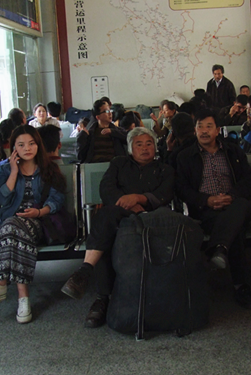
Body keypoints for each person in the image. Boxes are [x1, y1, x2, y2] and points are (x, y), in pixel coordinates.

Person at [60, 128, 175, 327]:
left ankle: (89, 276)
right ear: (130, 149)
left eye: (149, 143)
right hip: (119, 218)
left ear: (155, 147)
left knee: (104, 227)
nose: (145, 148)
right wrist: (127, 204)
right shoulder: (118, 164)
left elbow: (166, 193)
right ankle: (102, 297)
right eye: (139, 144)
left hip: (150, 219)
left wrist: (139, 198)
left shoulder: (165, 169)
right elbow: (106, 188)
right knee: (105, 224)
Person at [0, 125, 66, 324]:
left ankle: (1, 283)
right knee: (11, 228)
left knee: (10, 229)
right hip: (12, 224)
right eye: (21, 145)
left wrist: (38, 212)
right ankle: (23, 299)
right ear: (13, 147)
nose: (27, 148)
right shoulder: (6, 169)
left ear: (38, 145)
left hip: (39, 222)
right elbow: (2, 200)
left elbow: (57, 200)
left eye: (31, 143)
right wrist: (14, 172)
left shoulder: (49, 168)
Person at [175, 109, 251, 309]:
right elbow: (182, 189)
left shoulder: (233, 151)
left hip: (236, 203)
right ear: (195, 130)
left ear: (217, 130)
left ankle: (218, 247)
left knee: (239, 207)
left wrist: (232, 196)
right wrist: (207, 200)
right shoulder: (185, 156)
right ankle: (240, 285)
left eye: (209, 126)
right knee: (234, 227)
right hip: (207, 210)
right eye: (200, 127)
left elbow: (248, 179)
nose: (204, 131)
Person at [77, 99, 128, 163]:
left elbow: (129, 138)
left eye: (110, 110)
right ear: (98, 117)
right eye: (106, 111)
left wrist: (112, 132)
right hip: (94, 166)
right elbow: (80, 156)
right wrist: (82, 136)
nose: (110, 113)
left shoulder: (116, 131)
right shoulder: (90, 133)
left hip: (114, 165)